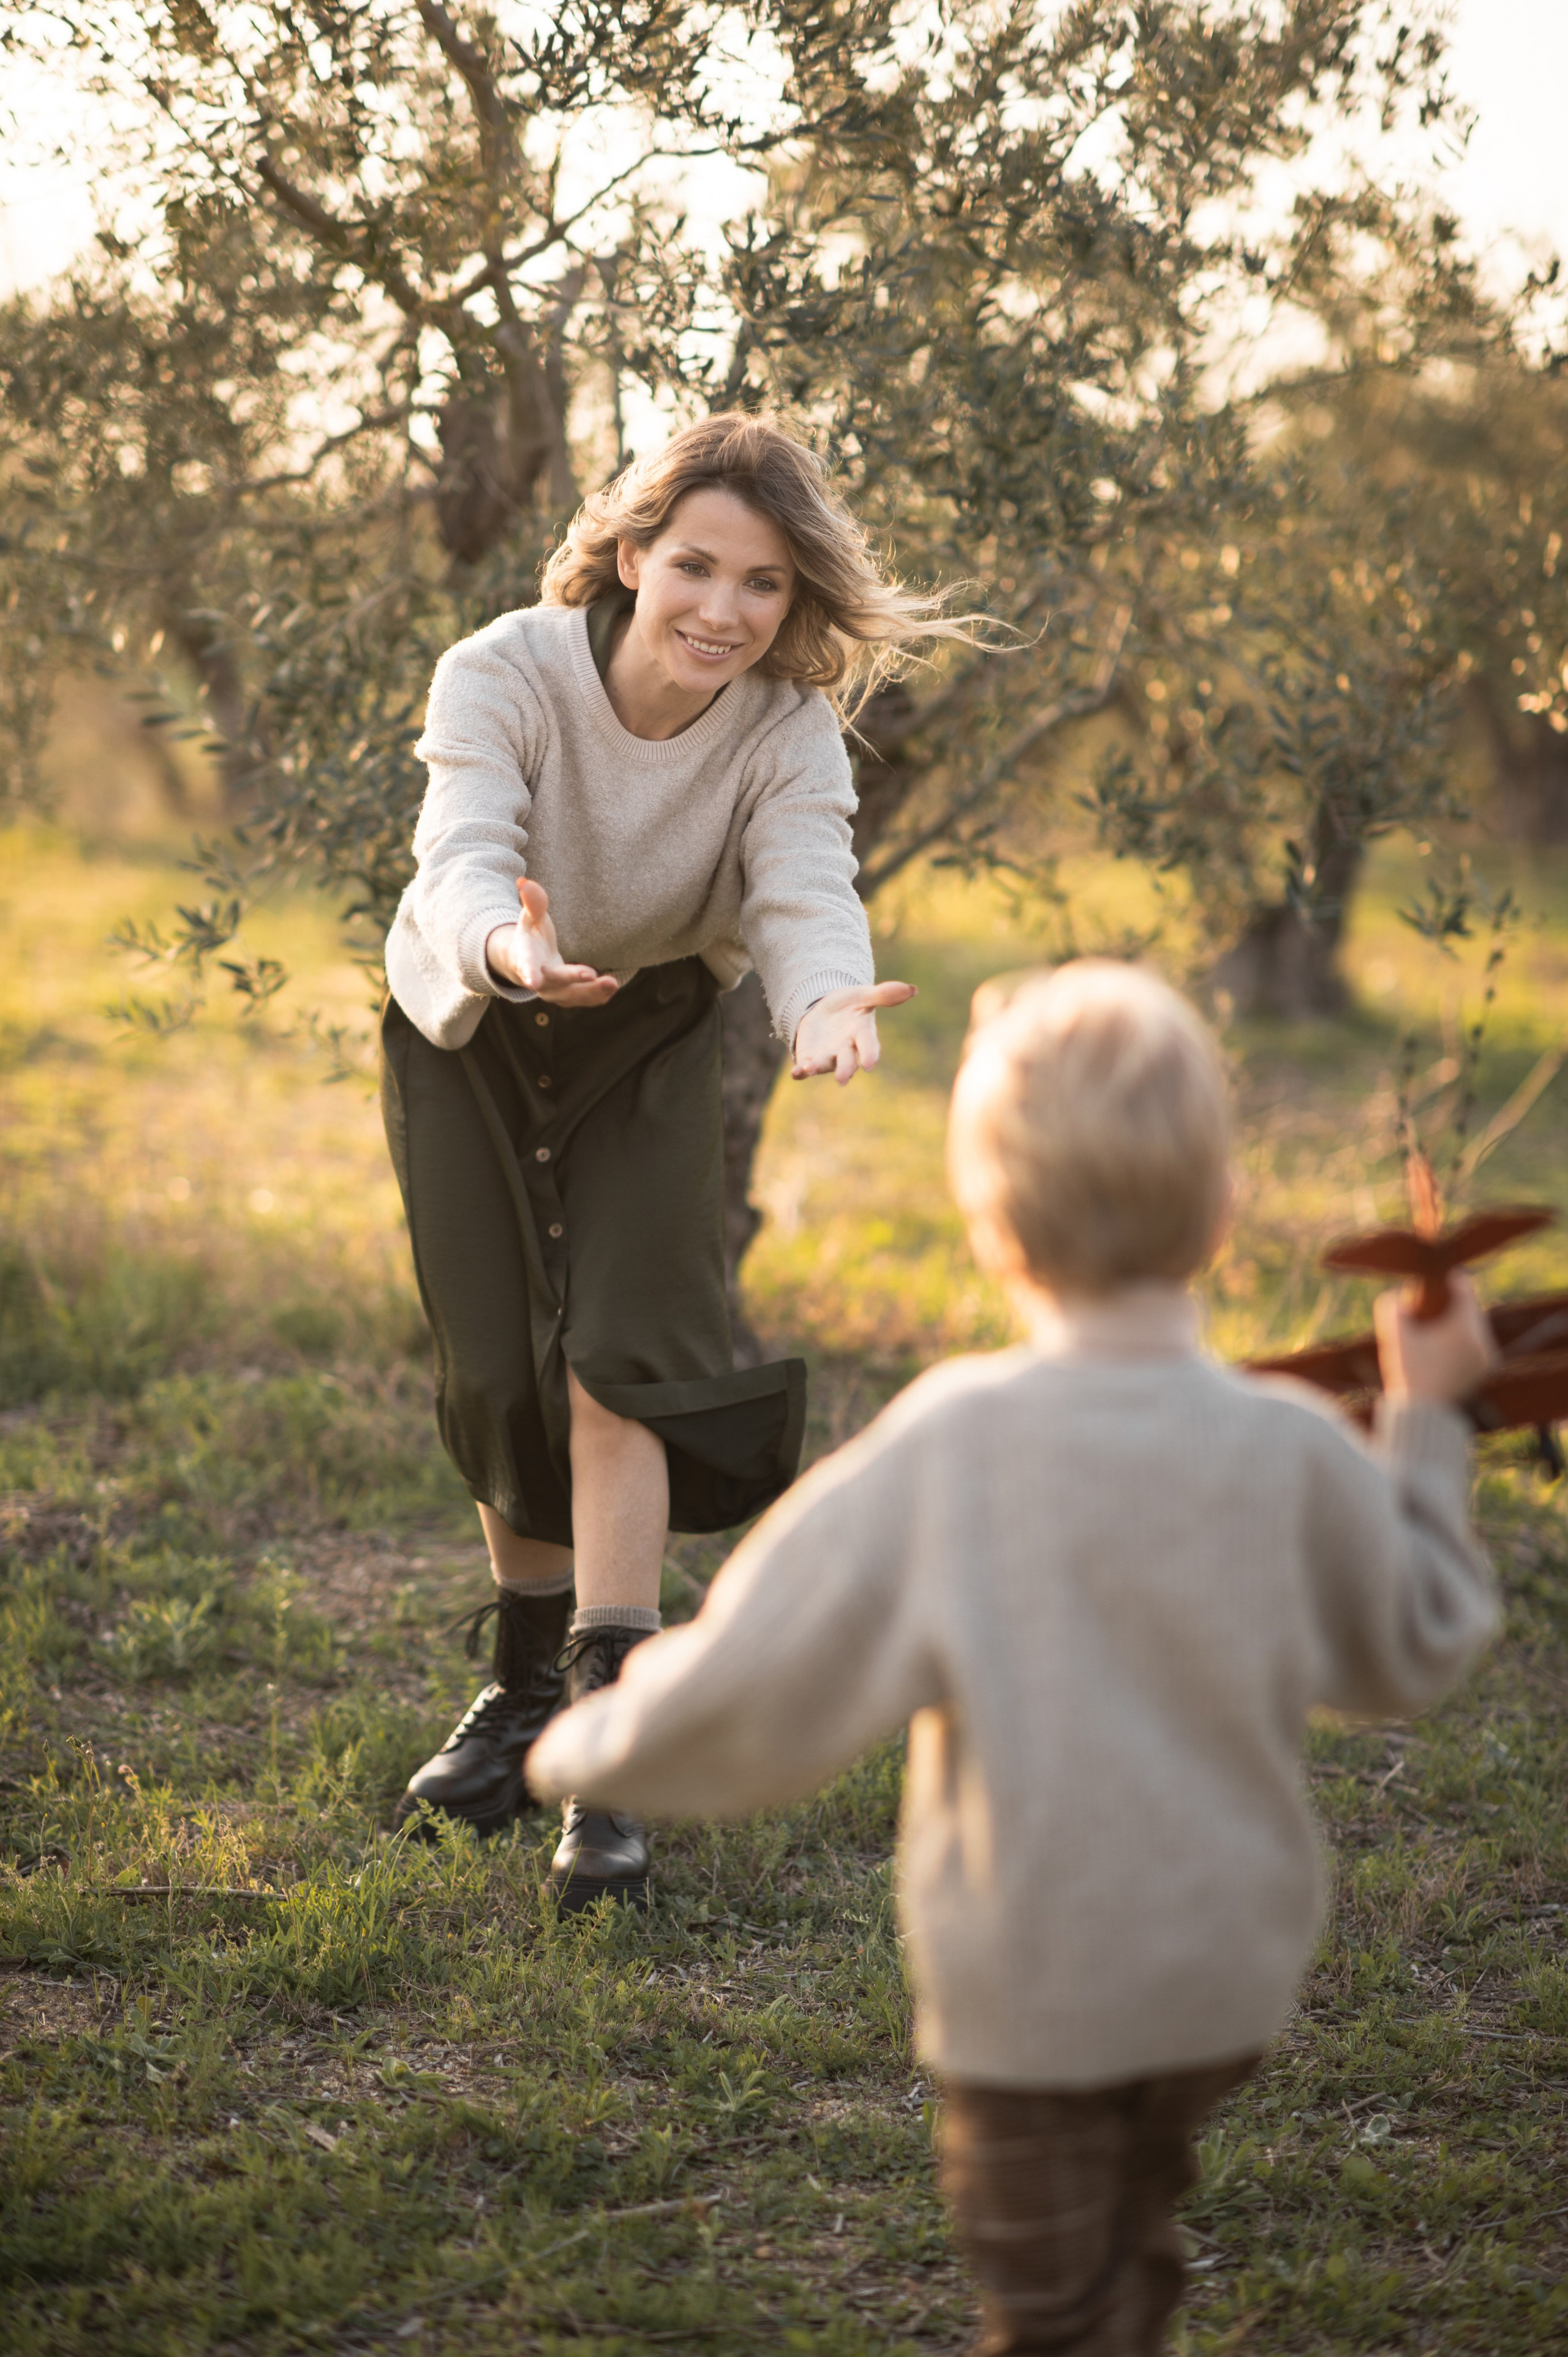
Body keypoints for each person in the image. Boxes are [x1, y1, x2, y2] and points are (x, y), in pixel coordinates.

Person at [526, 959, 1499, 2353]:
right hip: (1222, 1983)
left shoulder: (953, 1442)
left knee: (1046, 2309)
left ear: (989, 1226)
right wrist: (1426, 1424)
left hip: (1034, 2005)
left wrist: (586, 1744)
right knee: (1130, 2242)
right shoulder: (1280, 1445)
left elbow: (761, 1671)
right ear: (1220, 1212)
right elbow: (1415, 1639)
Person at [382, 412, 965, 1907]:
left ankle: (613, 1742)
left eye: (765, 584)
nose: (722, 609)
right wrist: (512, 944)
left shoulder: (779, 729)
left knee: (620, 1361)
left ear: (796, 604)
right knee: (501, 1368)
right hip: (472, 1014)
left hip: (642, 1029)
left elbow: (803, 886)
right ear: (630, 554)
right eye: (695, 565)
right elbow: (460, 853)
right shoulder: (500, 670)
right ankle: (522, 1698)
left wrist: (825, 994)